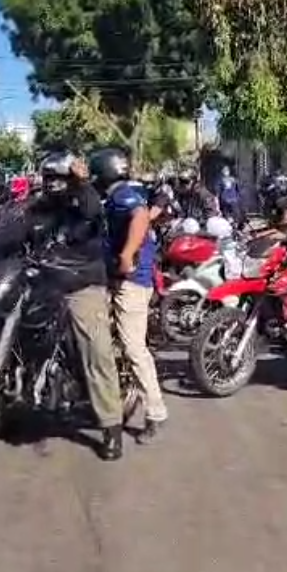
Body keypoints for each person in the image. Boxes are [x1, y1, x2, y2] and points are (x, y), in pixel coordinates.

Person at [0, 152, 125, 461]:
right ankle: (12, 394)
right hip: (42, 281)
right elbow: (10, 234)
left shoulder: (83, 204)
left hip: (80, 283)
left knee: (95, 350)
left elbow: (92, 213)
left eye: (60, 178)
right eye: (49, 178)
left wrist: (84, 184)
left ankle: (111, 425)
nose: (53, 184)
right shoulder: (37, 207)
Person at [89, 148, 168, 445]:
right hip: (113, 278)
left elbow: (140, 217)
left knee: (134, 348)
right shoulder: (116, 195)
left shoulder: (123, 195)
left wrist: (125, 255)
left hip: (131, 282)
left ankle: (155, 412)